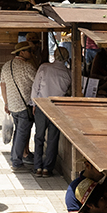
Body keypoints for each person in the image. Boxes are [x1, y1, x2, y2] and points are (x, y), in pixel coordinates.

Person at [31, 46, 71, 177]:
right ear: (66, 58)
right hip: (57, 108)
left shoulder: (44, 67)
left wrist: (33, 103)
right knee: (53, 138)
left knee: (39, 137)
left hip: (42, 105)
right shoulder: (68, 73)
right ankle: (47, 168)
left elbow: (35, 86)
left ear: (55, 55)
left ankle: (37, 166)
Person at [0, 40, 36, 169]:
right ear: (22, 52)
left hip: (12, 105)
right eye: (30, 51)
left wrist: (6, 102)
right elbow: (38, 83)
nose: (32, 53)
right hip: (25, 105)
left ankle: (16, 156)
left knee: (19, 132)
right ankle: (16, 160)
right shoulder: (27, 66)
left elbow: (2, 85)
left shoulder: (6, 65)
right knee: (22, 133)